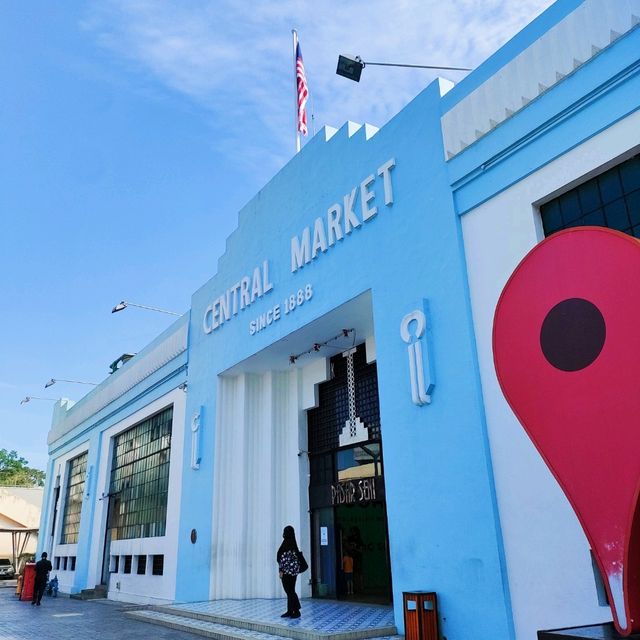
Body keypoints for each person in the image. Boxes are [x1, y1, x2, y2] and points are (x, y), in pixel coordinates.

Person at [277, 525, 301, 618]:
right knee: (290, 591)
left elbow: (283, 559)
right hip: (290, 572)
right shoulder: (290, 543)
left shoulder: (289, 545)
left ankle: (297, 610)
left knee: (290, 591)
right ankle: (290, 610)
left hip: (288, 573)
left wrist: (281, 570)